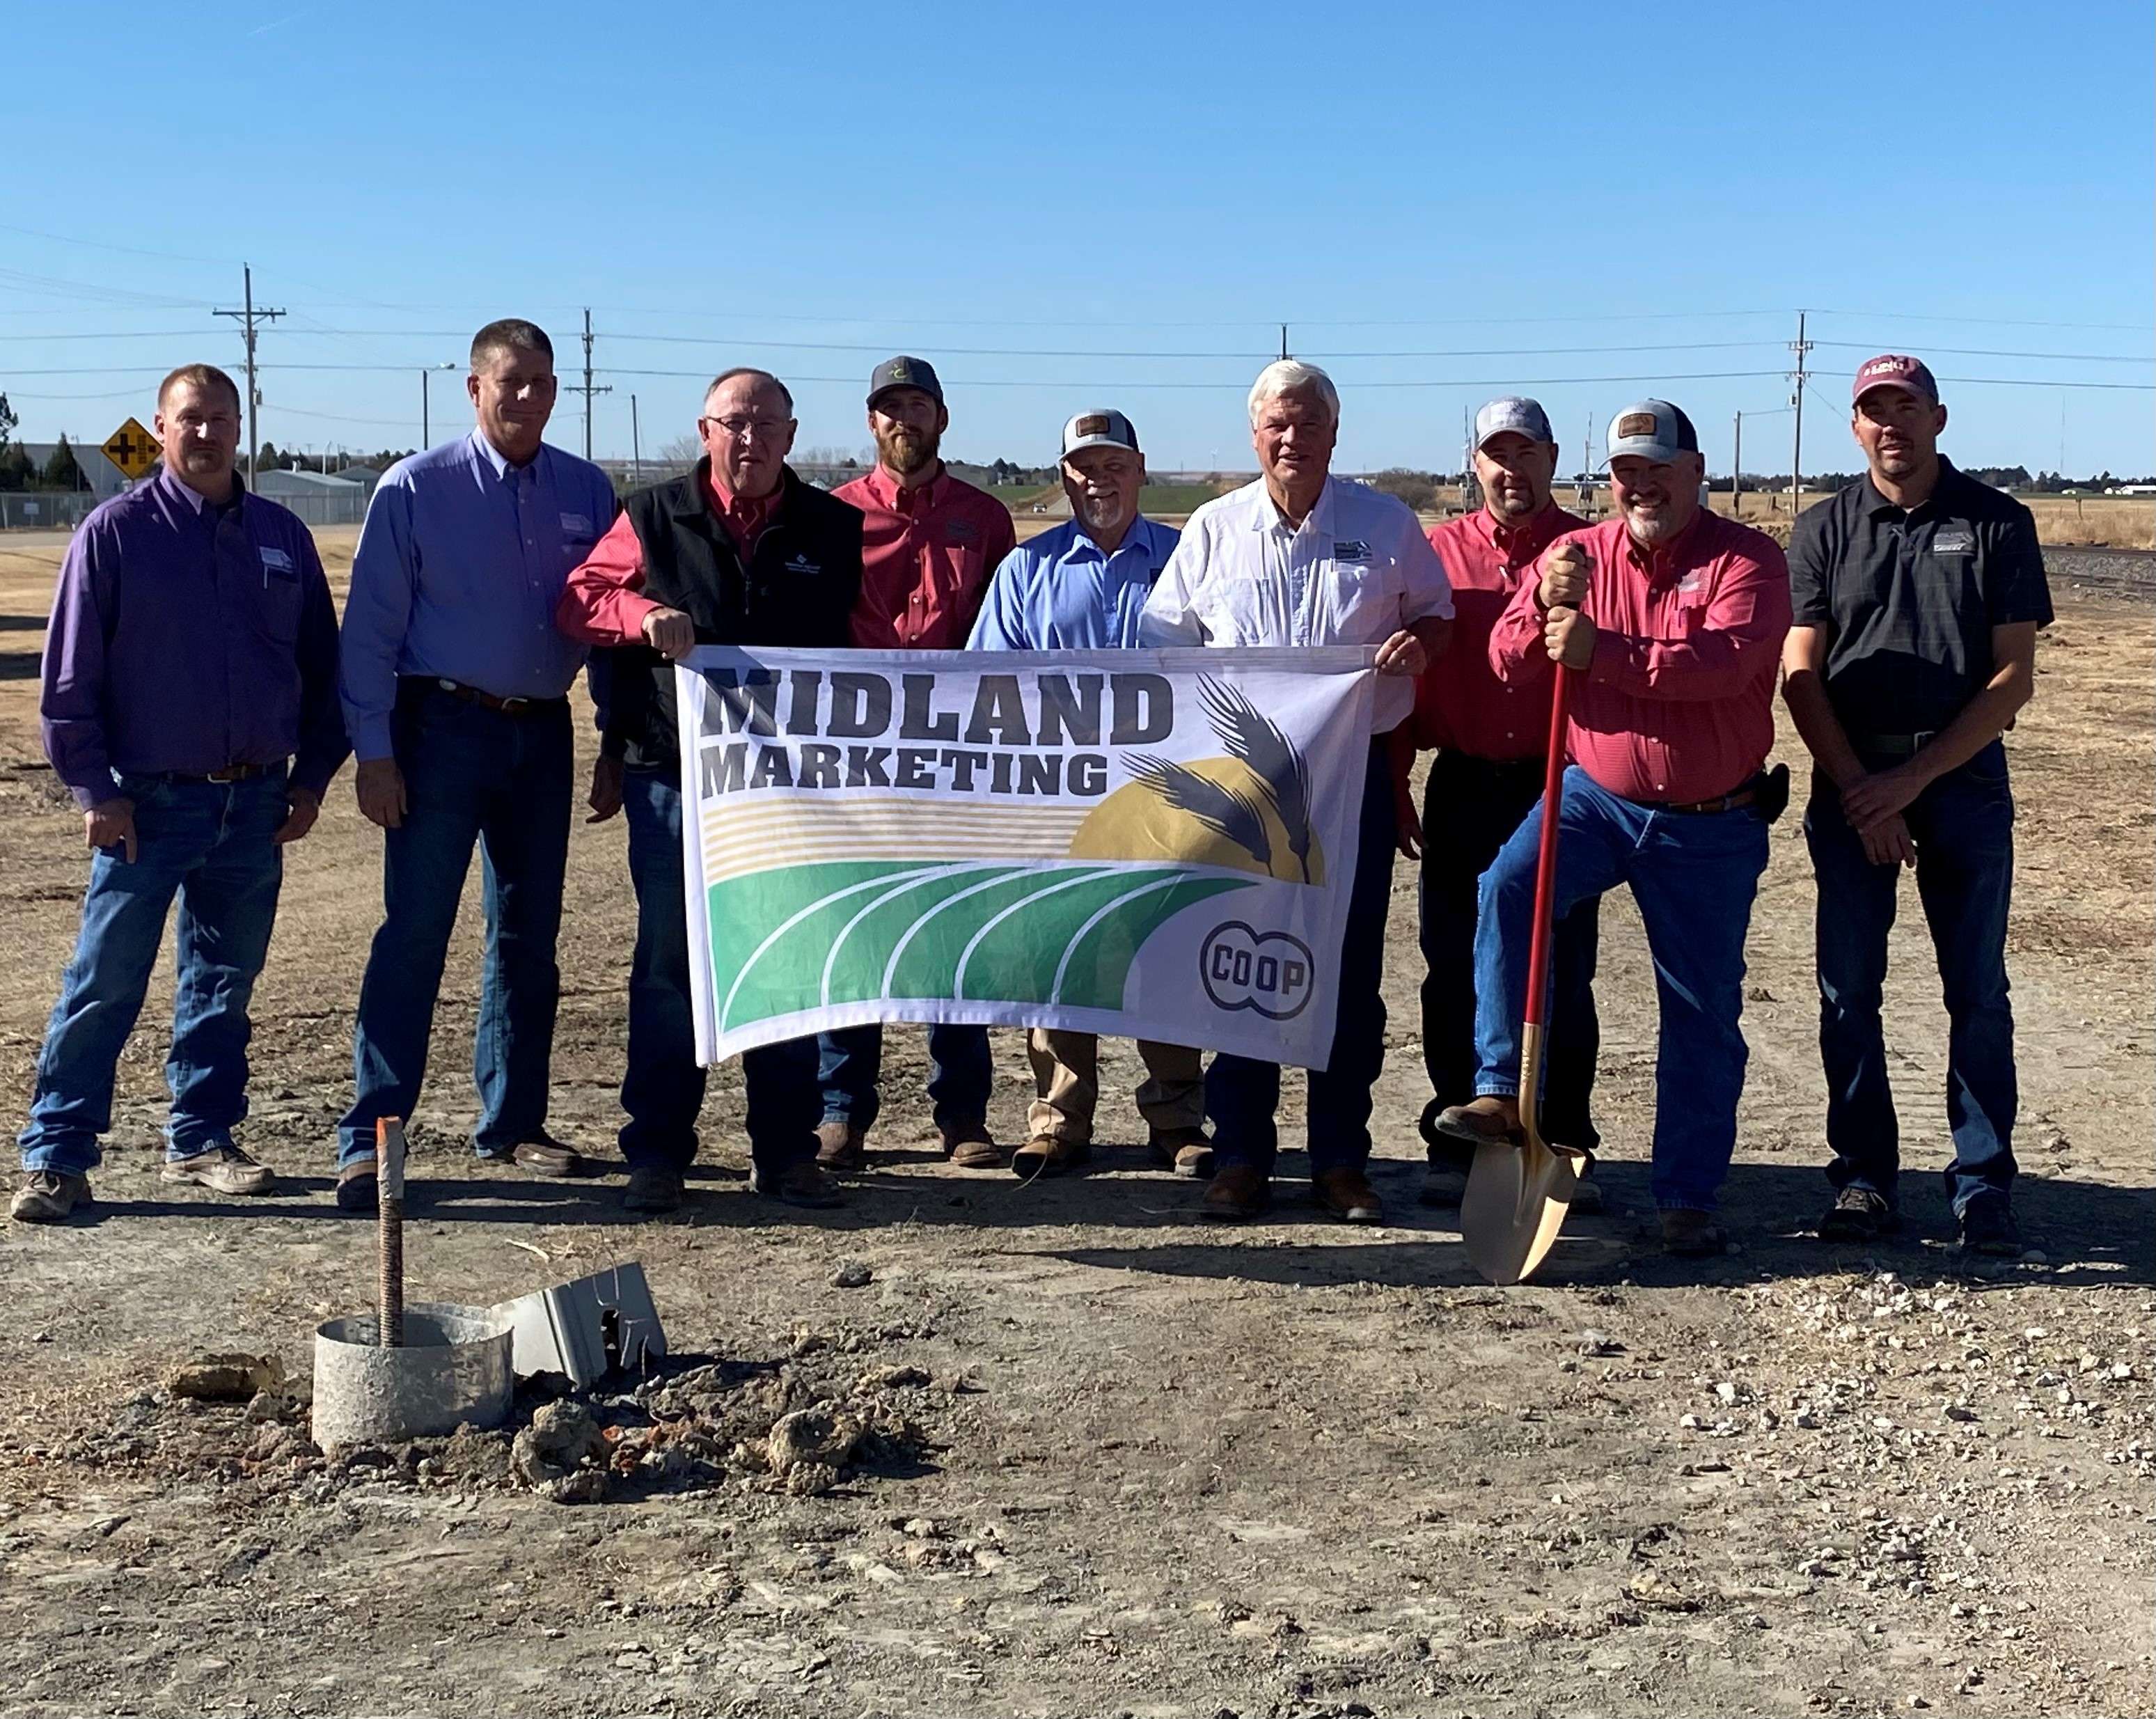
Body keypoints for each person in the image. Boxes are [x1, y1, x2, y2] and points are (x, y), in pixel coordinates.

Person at [1435, 401, 1791, 1257]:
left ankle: (1688, 1194)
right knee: (1506, 888)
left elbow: (1725, 665)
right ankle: (1496, 1090)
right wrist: (1537, 615)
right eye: (1625, 471)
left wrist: (1605, 651)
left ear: (1694, 471)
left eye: (1657, 469)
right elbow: (1507, 659)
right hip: (1594, 797)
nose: (1640, 486)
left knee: (1700, 1010)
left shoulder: (1749, 559)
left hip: (1710, 820)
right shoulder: (1577, 554)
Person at [15, 363, 345, 1222]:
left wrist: (309, 782)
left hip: (255, 804)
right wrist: (95, 790)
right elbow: (69, 681)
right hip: (146, 804)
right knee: (105, 978)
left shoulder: (281, 537)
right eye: (189, 419)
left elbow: (322, 674)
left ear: (242, 428)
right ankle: (57, 1156)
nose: (206, 434)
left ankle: (202, 1139)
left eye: (221, 419)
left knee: (224, 982)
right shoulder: (116, 534)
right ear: (160, 429)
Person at [1139, 360, 1453, 1225]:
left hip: (1350, 787)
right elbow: (1165, 647)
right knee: (1239, 963)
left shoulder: (1384, 524)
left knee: (1347, 977)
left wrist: (1417, 645)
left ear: (1333, 432)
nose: (1292, 438)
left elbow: (1437, 612)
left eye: (1308, 423)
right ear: (1254, 434)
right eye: (1277, 423)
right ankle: (1240, 1155)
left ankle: (1340, 1162)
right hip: (1244, 797)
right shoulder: (1212, 529)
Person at [556, 368, 863, 1214]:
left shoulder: (834, 529)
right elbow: (581, 600)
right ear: (705, 431)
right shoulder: (653, 516)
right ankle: (657, 1154)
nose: (751, 438)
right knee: (668, 968)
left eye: (767, 424)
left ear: (792, 437)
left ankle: (786, 1153)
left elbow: (866, 644)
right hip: (675, 778)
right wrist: (639, 616)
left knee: (791, 960)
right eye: (735, 422)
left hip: (793, 789)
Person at [334, 320, 616, 1209]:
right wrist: (374, 754)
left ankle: (515, 1123)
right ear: (474, 388)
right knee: (415, 933)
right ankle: (372, 1138)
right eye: (511, 381)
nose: (529, 397)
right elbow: (370, 635)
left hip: (542, 735)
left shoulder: (587, 489)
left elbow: (609, 621)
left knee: (529, 940)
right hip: (439, 730)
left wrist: (611, 737)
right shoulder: (415, 488)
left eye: (543, 381)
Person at [1782, 355, 2050, 1257]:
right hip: (1850, 780)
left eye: (1906, 408)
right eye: (1872, 411)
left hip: (1963, 784)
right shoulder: (1822, 529)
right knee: (1847, 990)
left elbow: (2011, 679)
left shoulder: (1997, 523)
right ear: (1854, 428)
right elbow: (1799, 672)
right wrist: (1865, 789)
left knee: (1975, 990)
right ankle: (1863, 1178)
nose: (1890, 424)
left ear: (1939, 418)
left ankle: (1982, 1187)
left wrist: (1912, 782)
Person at [966, 409, 1210, 1179]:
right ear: (1063, 475)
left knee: (1163, 954)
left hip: (1163, 800)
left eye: (1112, 464)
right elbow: (987, 683)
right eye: (1081, 466)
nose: (1096, 479)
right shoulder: (1024, 571)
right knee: (1055, 952)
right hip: (1057, 799)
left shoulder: (1187, 562)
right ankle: (1059, 1120)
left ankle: (1177, 1118)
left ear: (1140, 468)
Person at [1399, 398, 1603, 1213]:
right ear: (1473, 463)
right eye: (1496, 455)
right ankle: (1459, 1143)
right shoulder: (1432, 556)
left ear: (1551, 460)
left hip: (1557, 783)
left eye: (1527, 455)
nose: (1511, 471)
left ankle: (1562, 1140)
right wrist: (1393, 781)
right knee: (1452, 964)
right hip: (1461, 778)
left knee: (1561, 969)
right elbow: (1404, 673)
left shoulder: (1589, 551)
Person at [817, 359, 1018, 1175]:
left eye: (918, 406)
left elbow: (1007, 628)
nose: (904, 421)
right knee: (854, 928)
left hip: (956, 755)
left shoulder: (985, 518)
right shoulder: (832, 516)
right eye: (889, 408)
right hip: (859, 755)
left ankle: (963, 1114)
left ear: (942, 418)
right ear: (873, 424)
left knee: (954, 927)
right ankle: (840, 1110)